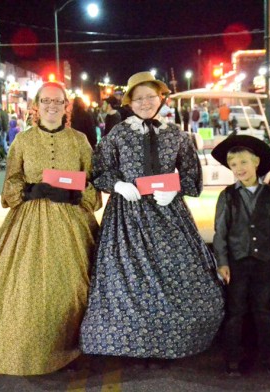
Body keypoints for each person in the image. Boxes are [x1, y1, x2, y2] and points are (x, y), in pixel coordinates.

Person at [0, 82, 102, 375]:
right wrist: (31, 189)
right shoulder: (23, 141)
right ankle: (29, 352)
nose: (52, 106)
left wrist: (74, 194)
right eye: (46, 101)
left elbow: (94, 192)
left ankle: (71, 352)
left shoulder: (80, 141)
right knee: (24, 291)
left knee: (74, 289)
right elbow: (9, 189)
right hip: (29, 224)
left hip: (73, 225)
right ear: (36, 105)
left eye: (58, 101)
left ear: (66, 106)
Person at [80, 71, 224, 360]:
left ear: (161, 98)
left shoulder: (175, 134)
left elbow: (192, 176)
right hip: (127, 216)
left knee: (179, 273)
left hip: (167, 212)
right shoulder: (117, 134)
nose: (146, 102)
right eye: (139, 97)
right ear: (129, 101)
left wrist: (176, 189)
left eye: (151, 96)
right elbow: (98, 171)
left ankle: (177, 339)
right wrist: (118, 185)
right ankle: (128, 342)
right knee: (126, 277)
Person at [212, 135, 270, 376]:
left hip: (264, 263)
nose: (239, 169)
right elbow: (220, 232)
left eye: (244, 163)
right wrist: (222, 262)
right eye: (233, 165)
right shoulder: (227, 195)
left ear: (256, 162)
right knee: (235, 312)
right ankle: (233, 358)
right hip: (236, 263)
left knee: (263, 310)